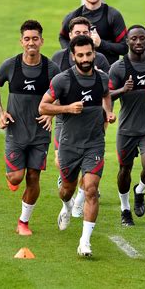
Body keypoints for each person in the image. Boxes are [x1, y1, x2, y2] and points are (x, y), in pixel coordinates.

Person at [39, 35, 116, 257]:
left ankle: (85, 242)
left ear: (94, 54)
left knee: (91, 189)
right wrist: (67, 108)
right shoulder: (62, 80)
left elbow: (106, 95)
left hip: (94, 143)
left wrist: (108, 112)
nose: (85, 58)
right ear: (73, 56)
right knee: (67, 189)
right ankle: (66, 206)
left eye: (88, 54)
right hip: (69, 145)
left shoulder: (102, 78)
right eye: (80, 55)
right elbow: (42, 107)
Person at [0, 20, 60, 236]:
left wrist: (51, 112)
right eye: (27, 39)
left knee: (33, 178)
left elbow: (63, 93)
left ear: (41, 41)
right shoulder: (11, 65)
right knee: (16, 177)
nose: (31, 43)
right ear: (21, 41)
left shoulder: (51, 68)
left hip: (40, 132)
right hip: (16, 130)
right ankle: (12, 178)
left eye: (35, 39)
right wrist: (1, 112)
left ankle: (23, 222)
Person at [52, 16, 110, 219]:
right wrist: (64, 109)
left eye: (85, 33)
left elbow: (105, 90)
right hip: (64, 119)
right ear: (70, 36)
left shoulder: (100, 60)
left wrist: (107, 113)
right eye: (77, 33)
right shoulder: (58, 59)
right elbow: (48, 94)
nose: (81, 36)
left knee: (90, 178)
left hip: (93, 121)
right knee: (62, 165)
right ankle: (68, 199)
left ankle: (80, 201)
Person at [109, 25, 145, 226]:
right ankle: (125, 209)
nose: (138, 42)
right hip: (127, 128)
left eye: (142, 38)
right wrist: (123, 89)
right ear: (127, 42)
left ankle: (139, 190)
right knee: (125, 169)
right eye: (134, 39)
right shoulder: (119, 68)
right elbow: (106, 94)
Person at [59, 0, 128, 65]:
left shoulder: (113, 15)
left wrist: (101, 44)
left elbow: (124, 48)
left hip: (106, 71)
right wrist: (72, 51)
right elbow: (63, 37)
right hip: (80, 71)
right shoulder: (73, 16)